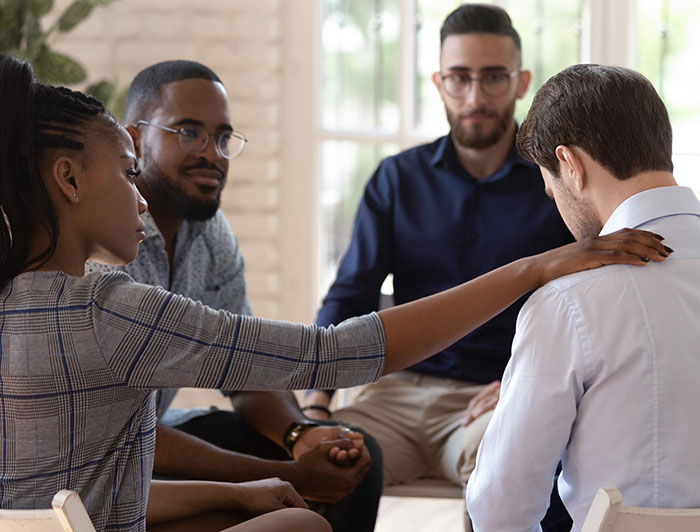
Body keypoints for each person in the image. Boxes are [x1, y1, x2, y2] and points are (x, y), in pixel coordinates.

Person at [0, 52, 668, 532]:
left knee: (316, 480)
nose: (139, 204)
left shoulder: (20, 299)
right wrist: (536, 269)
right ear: (67, 178)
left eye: (223, 135)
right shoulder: (109, 308)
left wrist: (269, 466)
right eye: (125, 172)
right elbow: (332, 353)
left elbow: (91, 487)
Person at [85, 59, 382, 532]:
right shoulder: (98, 242)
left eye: (222, 137)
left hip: (159, 433)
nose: (212, 153)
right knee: (296, 491)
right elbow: (116, 433)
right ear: (135, 140)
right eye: (188, 132)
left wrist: (299, 434)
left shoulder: (210, 233)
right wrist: (284, 473)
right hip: (102, 466)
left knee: (350, 460)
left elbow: (242, 369)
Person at [303, 4, 570, 525]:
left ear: (521, 83)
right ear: (439, 82)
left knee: (513, 466)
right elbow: (350, 294)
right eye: (460, 78)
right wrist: (316, 403)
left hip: (494, 397)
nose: (475, 97)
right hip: (393, 394)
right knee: (329, 462)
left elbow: (589, 296)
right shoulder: (396, 179)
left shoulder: (558, 183)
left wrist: (528, 381)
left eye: (493, 78)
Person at [466, 63, 699, 532]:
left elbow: (500, 510)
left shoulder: (569, 301)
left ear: (569, 165)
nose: (552, 196)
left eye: (549, 181)